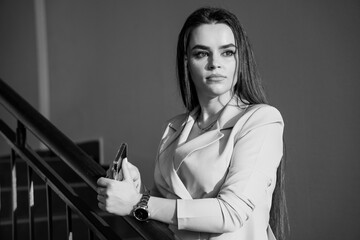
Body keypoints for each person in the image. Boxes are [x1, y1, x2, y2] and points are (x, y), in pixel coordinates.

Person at [97, 7, 288, 240]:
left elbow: (231, 212)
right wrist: (137, 190)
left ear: (241, 60)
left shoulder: (261, 120)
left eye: (227, 53)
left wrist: (139, 201)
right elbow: (166, 212)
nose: (215, 63)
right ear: (187, 62)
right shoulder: (174, 129)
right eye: (201, 54)